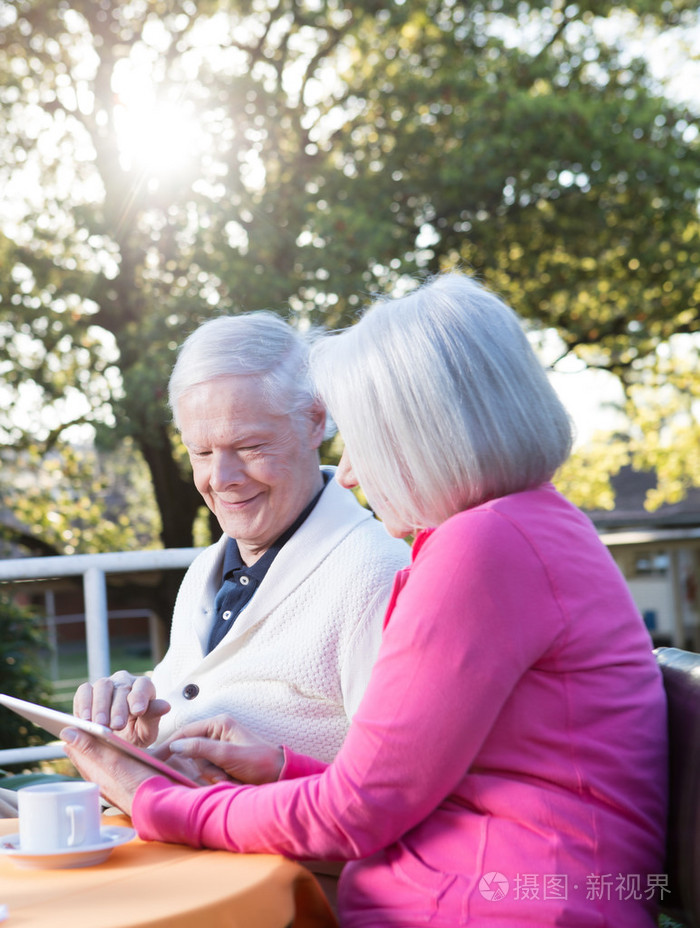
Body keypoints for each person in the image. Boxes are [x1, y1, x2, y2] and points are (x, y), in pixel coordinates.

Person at [64, 273, 668, 927]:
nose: (347, 472)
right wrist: (278, 767)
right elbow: (405, 782)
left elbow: (357, 812)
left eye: (365, 441)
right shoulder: (520, 528)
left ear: (429, 436)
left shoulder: (483, 548)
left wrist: (153, 799)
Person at [73, 311, 410, 765]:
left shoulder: (378, 575)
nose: (221, 478)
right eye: (202, 452)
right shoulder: (204, 571)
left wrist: (273, 772)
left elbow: (392, 785)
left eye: (249, 447)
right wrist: (134, 723)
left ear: (314, 421)